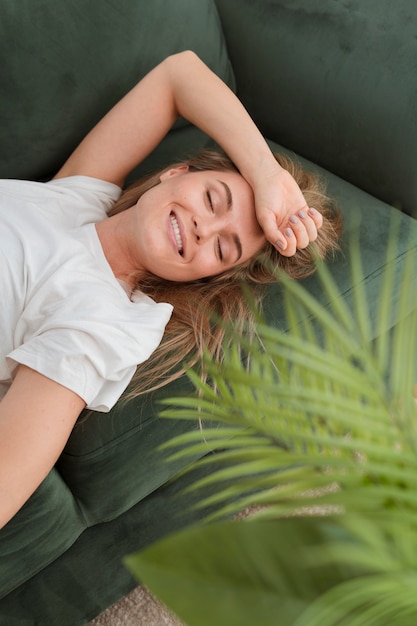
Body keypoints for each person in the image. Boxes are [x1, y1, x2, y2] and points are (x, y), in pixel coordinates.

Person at [0, 51, 341, 529]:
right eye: (211, 199)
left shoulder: (103, 323)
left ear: (202, 277)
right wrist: (266, 175)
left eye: (224, 248)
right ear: (175, 173)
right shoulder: (81, 195)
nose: (205, 228)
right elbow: (178, 74)